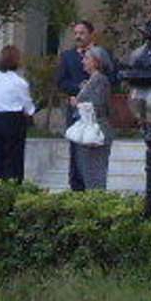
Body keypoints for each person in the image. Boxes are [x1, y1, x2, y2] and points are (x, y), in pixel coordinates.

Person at [68, 45, 118, 192]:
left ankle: (97, 199)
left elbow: (99, 106)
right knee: (87, 172)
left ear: (96, 61)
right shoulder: (91, 80)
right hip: (87, 129)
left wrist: (77, 104)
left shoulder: (100, 80)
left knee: (94, 173)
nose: (83, 61)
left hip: (96, 131)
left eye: (86, 58)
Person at [0, 44, 36, 182]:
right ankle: (12, 186)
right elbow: (28, 106)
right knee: (14, 159)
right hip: (13, 121)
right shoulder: (19, 82)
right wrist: (31, 111)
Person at [56, 20, 97, 189]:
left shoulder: (100, 54)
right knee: (75, 148)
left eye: (82, 33)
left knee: (95, 149)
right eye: (76, 33)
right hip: (75, 109)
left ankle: (94, 185)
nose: (78, 37)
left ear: (91, 34)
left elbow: (111, 77)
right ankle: (76, 187)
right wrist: (78, 88)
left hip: (96, 109)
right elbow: (61, 81)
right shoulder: (67, 56)